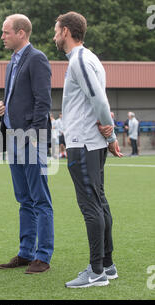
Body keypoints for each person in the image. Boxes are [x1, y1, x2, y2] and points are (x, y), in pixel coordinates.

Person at [53, 11, 123, 288]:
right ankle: (107, 264)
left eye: (57, 31)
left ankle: (96, 272)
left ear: (67, 32)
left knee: (91, 207)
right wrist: (107, 134)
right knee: (100, 202)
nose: (55, 36)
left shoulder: (80, 60)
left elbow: (100, 101)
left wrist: (111, 133)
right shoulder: (90, 57)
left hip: (83, 143)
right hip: (90, 143)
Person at [0, 14, 54, 274]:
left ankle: (43, 255)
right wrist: (3, 108)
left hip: (31, 140)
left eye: (6, 32)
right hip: (13, 138)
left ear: (21, 33)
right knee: (24, 200)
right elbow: (22, 100)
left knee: (40, 200)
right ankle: (26, 253)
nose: (3, 36)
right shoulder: (12, 63)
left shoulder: (37, 58)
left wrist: (33, 136)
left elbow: (43, 102)